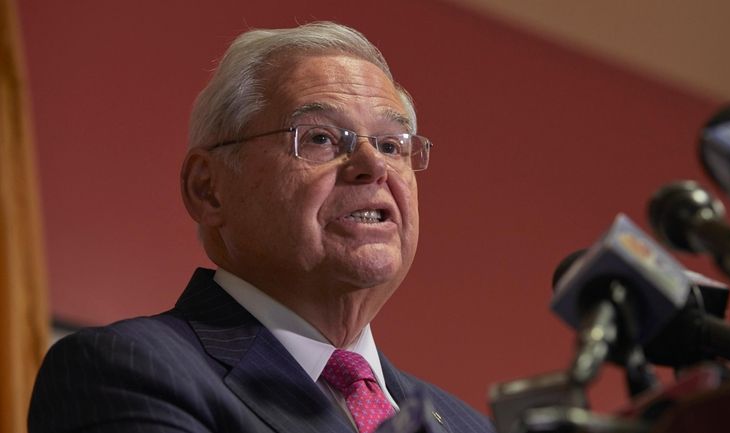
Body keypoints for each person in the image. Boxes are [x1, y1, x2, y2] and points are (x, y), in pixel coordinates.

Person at [28, 22, 493, 433]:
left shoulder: (469, 425)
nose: (373, 166)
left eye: (392, 145)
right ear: (208, 189)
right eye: (321, 138)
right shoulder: (124, 371)